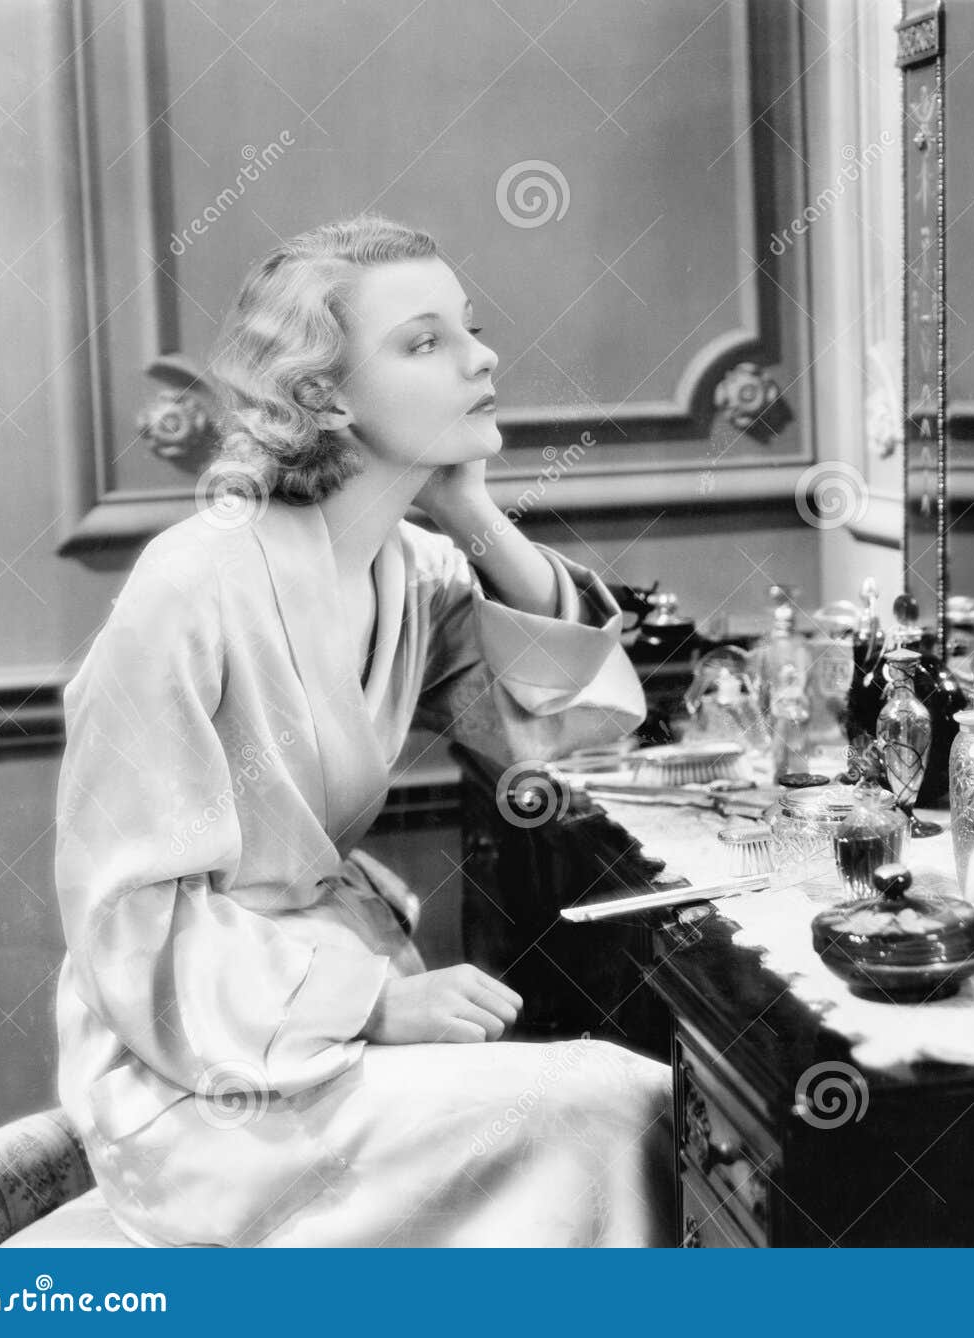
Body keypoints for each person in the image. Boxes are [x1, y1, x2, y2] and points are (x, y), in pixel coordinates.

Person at [52, 214, 675, 1247]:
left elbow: (566, 748)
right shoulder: (193, 583)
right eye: (424, 341)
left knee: (613, 1100)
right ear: (323, 395)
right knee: (616, 1103)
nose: (481, 359)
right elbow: (122, 918)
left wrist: (475, 517)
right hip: (203, 1065)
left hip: (324, 1008)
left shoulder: (415, 570)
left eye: (466, 330)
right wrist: (369, 1008)